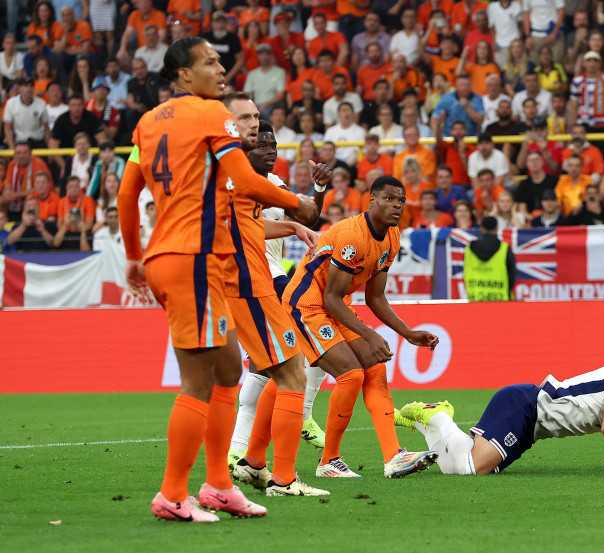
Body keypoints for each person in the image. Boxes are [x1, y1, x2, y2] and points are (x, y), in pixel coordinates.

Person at [117, 36, 318, 522]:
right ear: (183, 75)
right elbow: (246, 182)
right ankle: (172, 494)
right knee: (197, 383)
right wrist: (297, 205)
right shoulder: (210, 115)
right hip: (197, 258)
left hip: (172, 256)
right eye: (210, 62)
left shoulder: (146, 124)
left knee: (229, 372)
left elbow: (127, 194)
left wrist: (132, 257)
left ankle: (220, 486)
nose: (221, 67)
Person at [282, 174, 439, 478]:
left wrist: (407, 334)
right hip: (306, 303)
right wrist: (370, 334)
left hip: (336, 303)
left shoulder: (392, 237)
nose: (397, 206)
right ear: (372, 201)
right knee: (351, 375)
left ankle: (394, 456)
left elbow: (375, 297)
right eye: (389, 199)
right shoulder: (353, 236)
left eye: (401, 201)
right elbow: (330, 298)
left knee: (375, 369)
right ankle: (328, 462)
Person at [215, 95, 329, 497]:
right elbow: (306, 210)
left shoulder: (227, 168)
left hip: (252, 281)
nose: (254, 126)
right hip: (247, 284)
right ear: (228, 123)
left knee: (278, 373)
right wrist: (303, 208)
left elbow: (251, 226)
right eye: (245, 118)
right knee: (290, 372)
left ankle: (252, 464)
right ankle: (281, 478)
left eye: (256, 118)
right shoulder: (238, 171)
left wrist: (295, 228)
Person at [396, 359, 604, 475]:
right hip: (525, 405)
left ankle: (427, 422)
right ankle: (441, 416)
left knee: (453, 469)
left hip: (531, 430)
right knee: (472, 468)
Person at [462, 214, 515, 300]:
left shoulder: (469, 249)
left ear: (481, 228)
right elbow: (512, 275)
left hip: (475, 298)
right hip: (500, 300)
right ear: (497, 229)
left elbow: (465, 272)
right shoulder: (504, 248)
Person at [568, 52, 604, 137]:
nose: (592, 64)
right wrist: (573, 127)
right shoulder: (577, 82)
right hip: (583, 124)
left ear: (600, 63)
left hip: (603, 124)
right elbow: (574, 105)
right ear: (584, 63)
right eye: (589, 61)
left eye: (595, 61)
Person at [3, 76, 49, 150]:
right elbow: (7, 128)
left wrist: (50, 149)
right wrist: (13, 149)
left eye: (31, 86)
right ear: (20, 88)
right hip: (19, 142)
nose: (29, 89)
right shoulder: (11, 103)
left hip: (37, 141)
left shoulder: (41, 103)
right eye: (26, 86)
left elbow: (46, 128)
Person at [515, 149, 558, 223]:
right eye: (531, 160)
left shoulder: (554, 181)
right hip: (530, 221)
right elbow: (522, 210)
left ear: (543, 162)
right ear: (527, 164)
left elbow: (559, 206)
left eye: (537, 160)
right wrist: (536, 221)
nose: (534, 163)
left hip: (552, 219)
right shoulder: (523, 184)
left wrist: (547, 220)